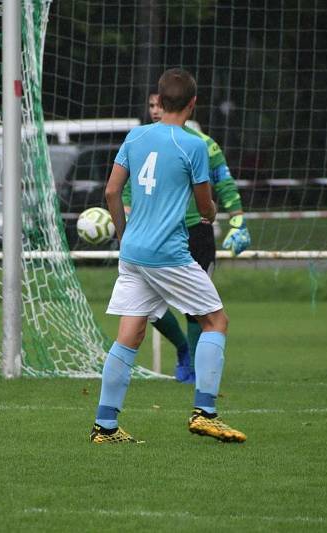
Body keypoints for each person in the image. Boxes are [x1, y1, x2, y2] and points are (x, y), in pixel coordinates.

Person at [90, 68, 246, 444]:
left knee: (130, 333)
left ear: (159, 101)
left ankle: (104, 426)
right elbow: (205, 203)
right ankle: (205, 412)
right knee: (216, 321)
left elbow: (112, 192)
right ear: (193, 103)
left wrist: (125, 234)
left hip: (133, 252)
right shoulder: (192, 144)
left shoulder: (136, 135)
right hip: (167, 253)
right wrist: (211, 215)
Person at [122, 91, 250, 383]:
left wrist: (239, 222)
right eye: (151, 105)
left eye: (159, 104)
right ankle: (183, 351)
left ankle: (192, 369)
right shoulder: (141, 142)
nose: (155, 110)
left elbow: (225, 185)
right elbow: (124, 191)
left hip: (196, 233)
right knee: (146, 309)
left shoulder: (203, 145)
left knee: (198, 309)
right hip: (156, 236)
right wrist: (128, 220)